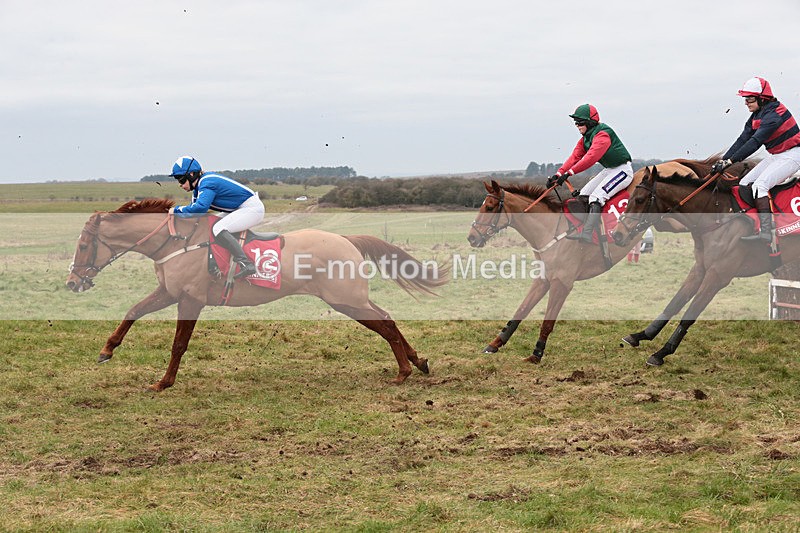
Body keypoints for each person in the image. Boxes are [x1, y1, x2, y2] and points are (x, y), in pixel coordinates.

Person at [710, 77, 800, 244]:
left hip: (793, 155)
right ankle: (752, 223)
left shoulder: (774, 115)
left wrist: (731, 162)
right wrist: (723, 161)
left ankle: (767, 231)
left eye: (750, 98)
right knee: (744, 184)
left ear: (762, 98)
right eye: (745, 98)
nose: (746, 102)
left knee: (760, 185)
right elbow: (742, 140)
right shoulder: (757, 115)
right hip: (778, 155)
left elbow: (755, 142)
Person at [547, 104, 634, 244]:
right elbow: (575, 157)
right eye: (576, 122)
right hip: (609, 170)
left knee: (596, 197)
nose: (577, 125)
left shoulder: (603, 135)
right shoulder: (585, 139)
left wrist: (569, 173)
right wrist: (558, 174)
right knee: (584, 195)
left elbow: (591, 158)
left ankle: (587, 234)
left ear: (589, 122)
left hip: (622, 170)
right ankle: (586, 230)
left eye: (580, 122)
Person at [169, 156, 264, 278]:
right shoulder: (198, 189)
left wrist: (176, 210)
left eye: (181, 180)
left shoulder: (207, 182)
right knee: (210, 224)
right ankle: (214, 262)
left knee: (218, 228)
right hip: (239, 208)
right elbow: (195, 215)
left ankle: (246, 264)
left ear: (192, 174)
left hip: (252, 209)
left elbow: (200, 208)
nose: (180, 185)